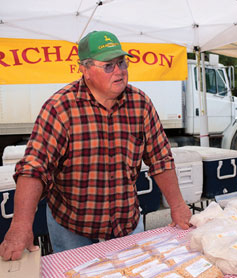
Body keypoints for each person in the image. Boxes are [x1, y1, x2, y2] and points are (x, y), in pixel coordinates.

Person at [0, 31, 192, 261]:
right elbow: (34, 168)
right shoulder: (60, 108)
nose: (119, 71)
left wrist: (178, 205)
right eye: (109, 66)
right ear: (85, 69)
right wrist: (21, 226)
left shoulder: (140, 104)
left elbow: (160, 159)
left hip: (126, 224)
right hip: (73, 229)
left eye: (122, 62)